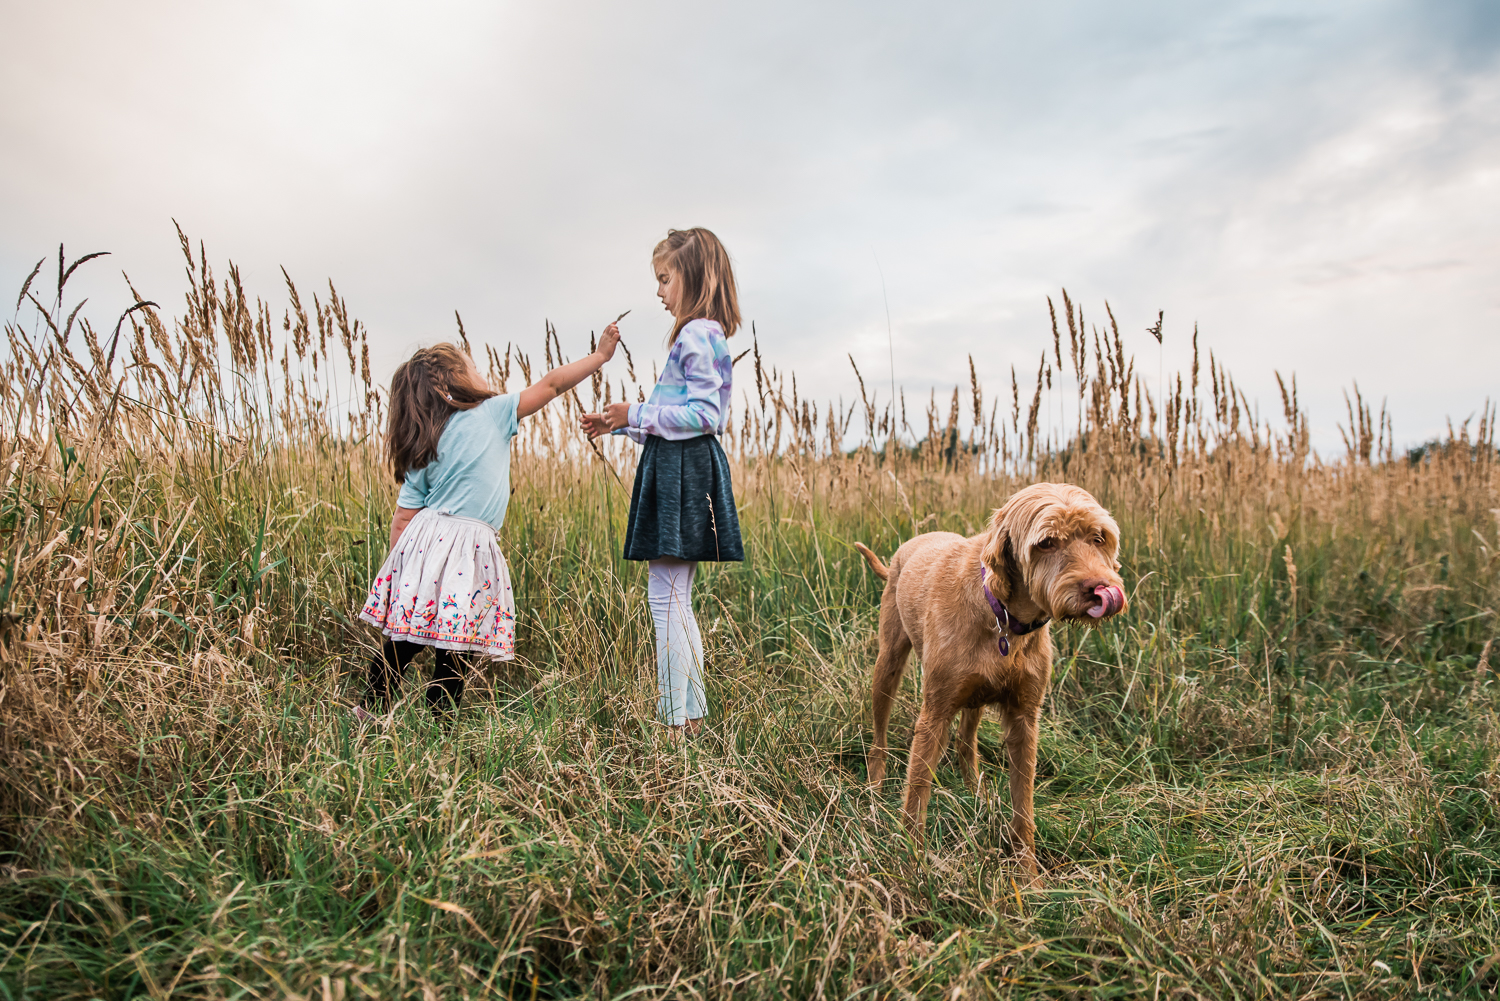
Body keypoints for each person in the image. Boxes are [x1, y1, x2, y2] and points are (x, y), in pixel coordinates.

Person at [356, 326, 620, 722]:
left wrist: (399, 574)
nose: (480, 372)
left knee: (403, 641)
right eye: (472, 367)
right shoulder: (493, 411)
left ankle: (371, 708)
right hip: (467, 550)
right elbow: (550, 385)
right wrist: (599, 358)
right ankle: (439, 723)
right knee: (456, 644)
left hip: (426, 547)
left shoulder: (427, 437)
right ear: (452, 384)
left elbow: (404, 517)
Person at [581, 228, 744, 739]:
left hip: (682, 471)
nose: (658, 292)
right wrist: (624, 422)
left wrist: (636, 411)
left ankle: (677, 723)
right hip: (683, 464)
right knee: (676, 598)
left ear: (693, 276)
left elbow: (702, 415)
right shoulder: (708, 334)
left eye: (665, 278)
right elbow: (681, 417)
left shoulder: (696, 333)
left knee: (666, 600)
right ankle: (690, 718)